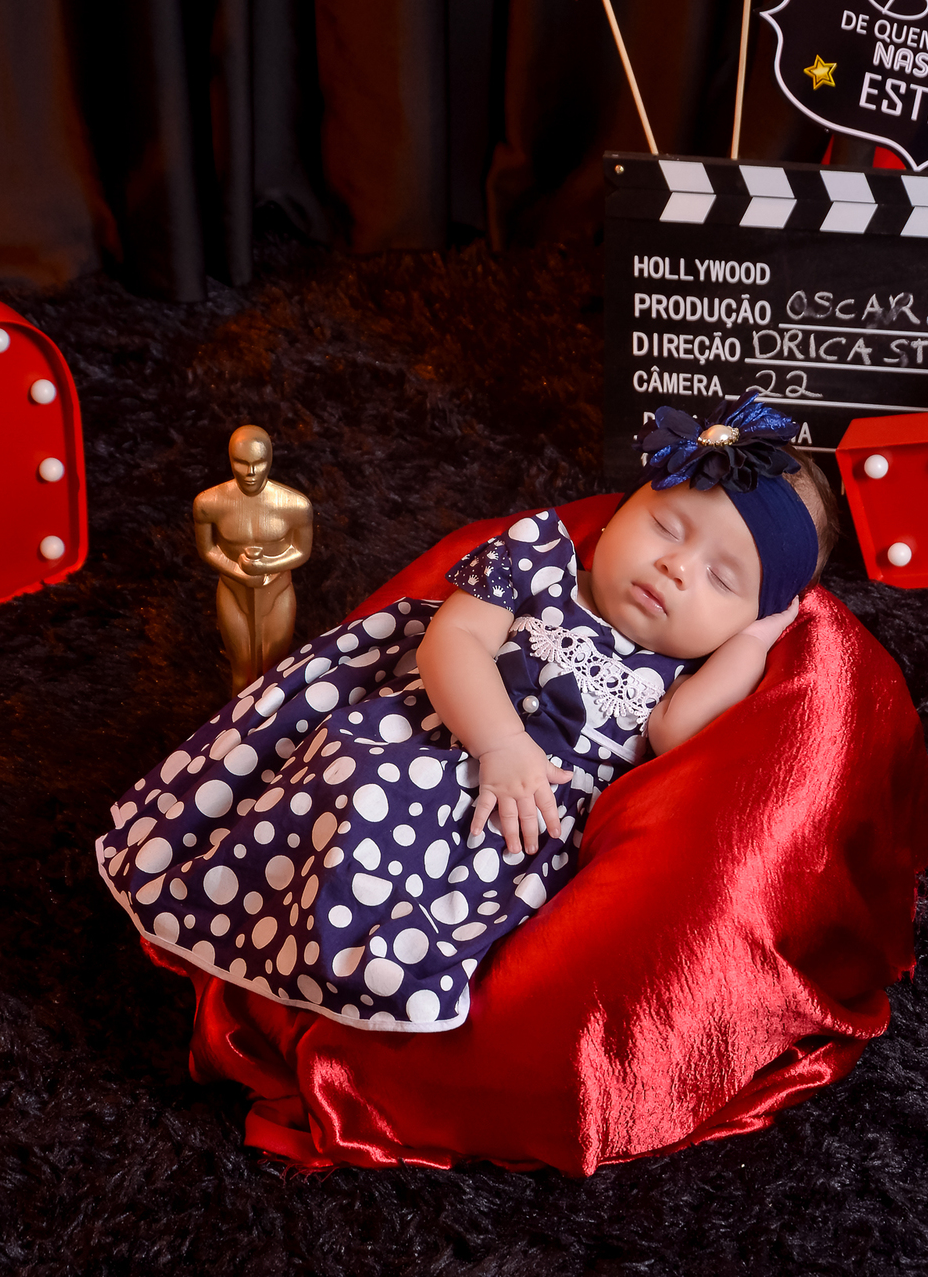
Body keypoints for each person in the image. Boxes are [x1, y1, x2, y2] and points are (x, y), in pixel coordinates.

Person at [97, 395, 838, 1033]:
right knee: (366, 776)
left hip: (522, 822)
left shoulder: (676, 676)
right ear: (616, 518)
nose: (678, 568)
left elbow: (678, 735)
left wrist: (754, 640)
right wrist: (499, 743)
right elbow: (452, 644)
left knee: (504, 901)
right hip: (439, 729)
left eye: (722, 579)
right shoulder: (542, 561)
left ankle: (380, 965)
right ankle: (255, 906)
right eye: (668, 528)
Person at [193, 425, 314, 695]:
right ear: (230, 461)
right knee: (242, 673)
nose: (250, 473)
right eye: (241, 463)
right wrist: (238, 571)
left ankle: (272, 731)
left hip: (278, 591)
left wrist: (266, 567)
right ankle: (238, 732)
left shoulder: (295, 505)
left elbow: (301, 551)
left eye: (258, 463)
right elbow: (208, 549)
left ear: (269, 460)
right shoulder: (208, 503)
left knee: (275, 672)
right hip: (233, 591)